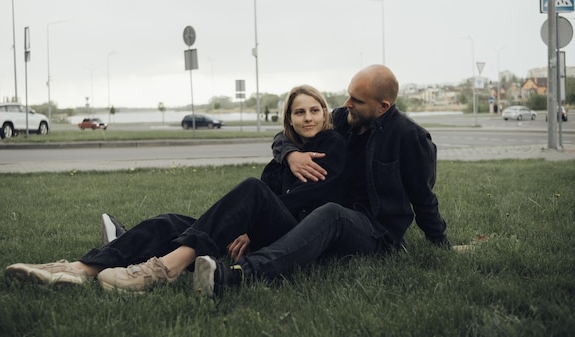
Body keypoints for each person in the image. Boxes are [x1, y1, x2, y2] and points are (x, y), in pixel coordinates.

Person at [4, 85, 347, 291]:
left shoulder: (332, 145)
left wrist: (252, 234)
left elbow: (313, 199)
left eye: (315, 110)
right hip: (256, 231)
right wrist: (287, 156)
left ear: (324, 114)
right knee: (170, 222)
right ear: (289, 119)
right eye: (299, 112)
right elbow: (272, 181)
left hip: (294, 236)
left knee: (250, 191)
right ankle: (81, 269)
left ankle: (163, 269)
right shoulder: (282, 158)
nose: (308, 117)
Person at [193, 64, 451, 297]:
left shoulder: (410, 137)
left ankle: (235, 274)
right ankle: (174, 250)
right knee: (254, 198)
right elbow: (284, 134)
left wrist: (440, 243)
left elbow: (424, 198)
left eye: (357, 100)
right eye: (348, 94)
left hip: (374, 232)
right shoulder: (342, 119)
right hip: (317, 216)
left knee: (332, 214)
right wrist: (290, 155)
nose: (347, 103)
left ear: (382, 107)